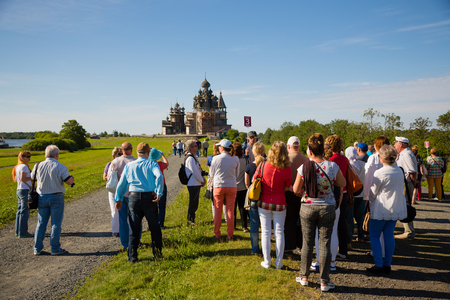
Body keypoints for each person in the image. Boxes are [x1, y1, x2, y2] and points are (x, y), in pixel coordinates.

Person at [293, 134, 346, 292]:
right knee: (324, 244)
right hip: (328, 207)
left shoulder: (304, 168)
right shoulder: (332, 166)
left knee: (307, 243)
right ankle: (324, 281)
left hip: (308, 206)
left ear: (309, 151)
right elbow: (342, 183)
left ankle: (304, 276)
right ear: (323, 150)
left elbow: (296, 190)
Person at [115, 142, 164, 263]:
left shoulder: (130, 165)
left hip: (133, 197)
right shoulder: (152, 163)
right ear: (148, 153)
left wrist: (119, 198)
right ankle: (157, 255)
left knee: (134, 228)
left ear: (137, 152)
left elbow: (122, 184)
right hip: (149, 197)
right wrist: (159, 192)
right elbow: (159, 177)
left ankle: (132, 257)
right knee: (154, 228)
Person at [367, 145, 407, 275]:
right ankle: (387, 264)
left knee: (374, 235)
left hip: (381, 206)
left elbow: (373, 192)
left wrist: (370, 201)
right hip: (395, 206)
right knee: (389, 235)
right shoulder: (399, 170)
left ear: (381, 158)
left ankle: (378, 263)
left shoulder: (380, 172)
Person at [32, 145, 75, 255]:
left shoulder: (38, 165)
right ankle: (55, 248)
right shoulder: (60, 167)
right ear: (56, 155)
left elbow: (33, 178)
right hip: (56, 196)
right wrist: (72, 178)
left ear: (46, 154)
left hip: (41, 196)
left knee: (41, 223)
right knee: (55, 223)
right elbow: (69, 182)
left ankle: (37, 248)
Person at [257, 141, 291, 270]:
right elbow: (287, 187)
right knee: (279, 233)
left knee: (265, 232)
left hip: (264, 202)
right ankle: (279, 262)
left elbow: (256, 178)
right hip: (280, 202)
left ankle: (267, 261)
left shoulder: (263, 165)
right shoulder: (287, 168)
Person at [210, 139, 239, 241]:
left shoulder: (215, 159)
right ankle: (230, 234)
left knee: (217, 211)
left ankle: (217, 233)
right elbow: (237, 173)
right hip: (231, 185)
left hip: (218, 186)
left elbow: (211, 174)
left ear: (222, 148)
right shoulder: (235, 158)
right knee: (230, 210)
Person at [284, 136, 308, 256]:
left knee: (289, 220)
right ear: (298, 146)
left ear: (289, 147)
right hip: (302, 193)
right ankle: (301, 244)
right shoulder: (306, 159)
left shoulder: (286, 159)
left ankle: (289, 246)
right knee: (302, 220)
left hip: (288, 193)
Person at [326, 134, 349, 258]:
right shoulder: (344, 159)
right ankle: (343, 249)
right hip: (344, 192)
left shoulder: (332, 160)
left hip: (334, 192)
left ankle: (330, 249)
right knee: (342, 222)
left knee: (332, 224)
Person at [110, 142, 136, 249]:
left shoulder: (115, 161)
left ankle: (125, 243)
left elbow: (112, 178)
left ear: (121, 150)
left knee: (122, 220)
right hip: (133, 194)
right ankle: (135, 241)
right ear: (131, 149)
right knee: (135, 219)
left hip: (120, 194)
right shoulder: (135, 161)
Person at [394, 136, 417, 240]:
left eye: (396, 143)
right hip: (404, 182)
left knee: (405, 206)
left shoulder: (406, 154)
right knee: (403, 205)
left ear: (401, 144)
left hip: (406, 183)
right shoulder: (403, 153)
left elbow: (412, 171)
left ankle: (409, 231)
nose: (394, 145)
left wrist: (413, 183)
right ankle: (407, 229)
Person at [244, 141, 266, 255]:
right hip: (265, 198)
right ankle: (265, 248)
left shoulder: (249, 167)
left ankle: (255, 249)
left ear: (253, 153)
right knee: (265, 226)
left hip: (253, 198)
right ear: (263, 152)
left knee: (254, 225)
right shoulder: (267, 165)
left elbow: (247, 185)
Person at [345, 147, 366, 242]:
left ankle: (349, 238)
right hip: (361, 194)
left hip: (351, 194)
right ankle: (361, 236)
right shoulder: (363, 164)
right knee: (360, 217)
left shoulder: (348, 165)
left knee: (350, 218)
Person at [12, 150, 34, 238]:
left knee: (20, 211)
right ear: (22, 157)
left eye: (30, 156)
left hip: (19, 189)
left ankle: (18, 231)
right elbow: (23, 178)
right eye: (27, 156)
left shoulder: (18, 166)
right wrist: (33, 178)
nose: (29, 158)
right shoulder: (24, 167)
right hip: (25, 190)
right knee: (25, 211)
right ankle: (23, 232)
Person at [185, 140, 206, 225]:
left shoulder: (193, 157)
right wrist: (202, 180)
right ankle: (190, 222)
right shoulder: (190, 159)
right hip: (193, 183)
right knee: (193, 204)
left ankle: (191, 221)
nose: (197, 146)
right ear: (191, 148)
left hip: (195, 183)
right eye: (195, 146)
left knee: (194, 204)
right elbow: (195, 172)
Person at [103, 147, 122, 237]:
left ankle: (124, 229)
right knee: (114, 210)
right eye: (118, 154)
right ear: (114, 155)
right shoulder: (109, 164)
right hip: (113, 189)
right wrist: (112, 178)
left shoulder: (124, 162)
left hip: (123, 189)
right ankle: (115, 230)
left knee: (124, 210)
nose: (120, 156)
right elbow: (105, 177)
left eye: (121, 154)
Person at [149, 148, 169, 229]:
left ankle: (152, 224)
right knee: (161, 206)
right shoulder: (159, 164)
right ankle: (160, 224)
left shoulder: (147, 165)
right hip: (161, 185)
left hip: (151, 187)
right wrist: (163, 155)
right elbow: (166, 163)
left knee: (152, 207)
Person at [207, 143, 227, 221]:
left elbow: (210, 170)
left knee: (214, 201)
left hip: (214, 181)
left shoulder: (210, 158)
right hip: (223, 180)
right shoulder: (224, 158)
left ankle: (216, 218)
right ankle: (226, 218)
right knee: (225, 202)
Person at [233, 142, 249, 232]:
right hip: (243, 186)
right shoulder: (245, 160)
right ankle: (244, 226)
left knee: (233, 208)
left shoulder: (232, 160)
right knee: (242, 208)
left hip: (233, 186)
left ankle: (233, 225)